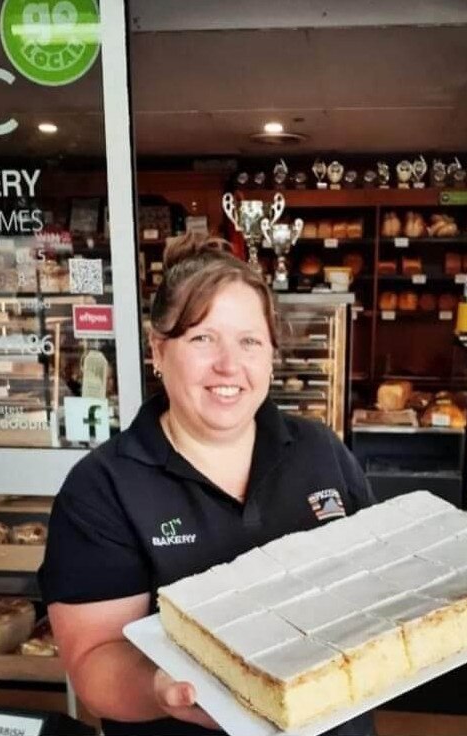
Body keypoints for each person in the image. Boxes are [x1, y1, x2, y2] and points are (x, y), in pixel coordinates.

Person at [39, 234, 376, 736]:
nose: (229, 365)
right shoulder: (104, 488)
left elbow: (377, 578)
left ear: (270, 354)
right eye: (202, 339)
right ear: (158, 349)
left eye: (249, 341)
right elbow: (95, 662)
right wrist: (160, 689)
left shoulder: (320, 450)